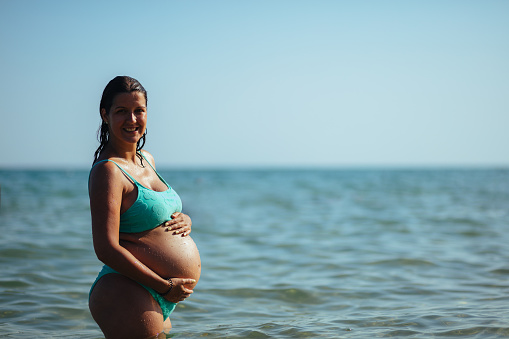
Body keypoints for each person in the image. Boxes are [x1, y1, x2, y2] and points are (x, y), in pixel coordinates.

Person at [88, 76, 201, 338]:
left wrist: (185, 219)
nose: (132, 119)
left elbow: (155, 214)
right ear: (105, 115)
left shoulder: (147, 159)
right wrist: (163, 286)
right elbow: (105, 248)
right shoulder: (108, 171)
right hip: (127, 290)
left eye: (139, 110)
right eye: (121, 111)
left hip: (155, 292)